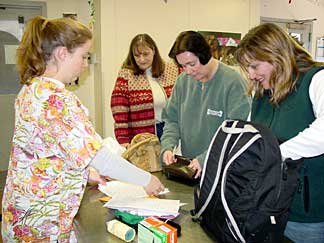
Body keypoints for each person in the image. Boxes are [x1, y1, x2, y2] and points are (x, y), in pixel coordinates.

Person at [1, 16, 164, 243]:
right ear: (62, 54)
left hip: (22, 211)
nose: (86, 63)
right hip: (44, 222)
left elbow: (47, 151)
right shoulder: (57, 100)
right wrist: (145, 179)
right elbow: (101, 158)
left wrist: (87, 174)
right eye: (83, 56)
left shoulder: (32, 89)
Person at [235, 23, 324, 243]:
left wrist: (276, 154)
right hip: (266, 208)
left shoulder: (316, 80)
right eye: (247, 68)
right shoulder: (262, 93)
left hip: (305, 216)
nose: (251, 75)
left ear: (276, 56)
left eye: (254, 66)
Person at [161, 30, 251, 178]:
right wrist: (167, 147)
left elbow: (235, 134)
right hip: (192, 168)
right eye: (183, 66)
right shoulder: (183, 81)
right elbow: (172, 120)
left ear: (204, 55)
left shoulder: (233, 83)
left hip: (224, 170)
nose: (188, 71)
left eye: (191, 64)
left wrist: (204, 159)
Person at [111, 33, 179, 146]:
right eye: (137, 55)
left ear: (154, 51)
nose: (141, 59)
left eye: (146, 54)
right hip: (142, 137)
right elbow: (119, 110)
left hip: (169, 131)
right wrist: (123, 140)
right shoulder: (126, 75)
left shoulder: (170, 70)